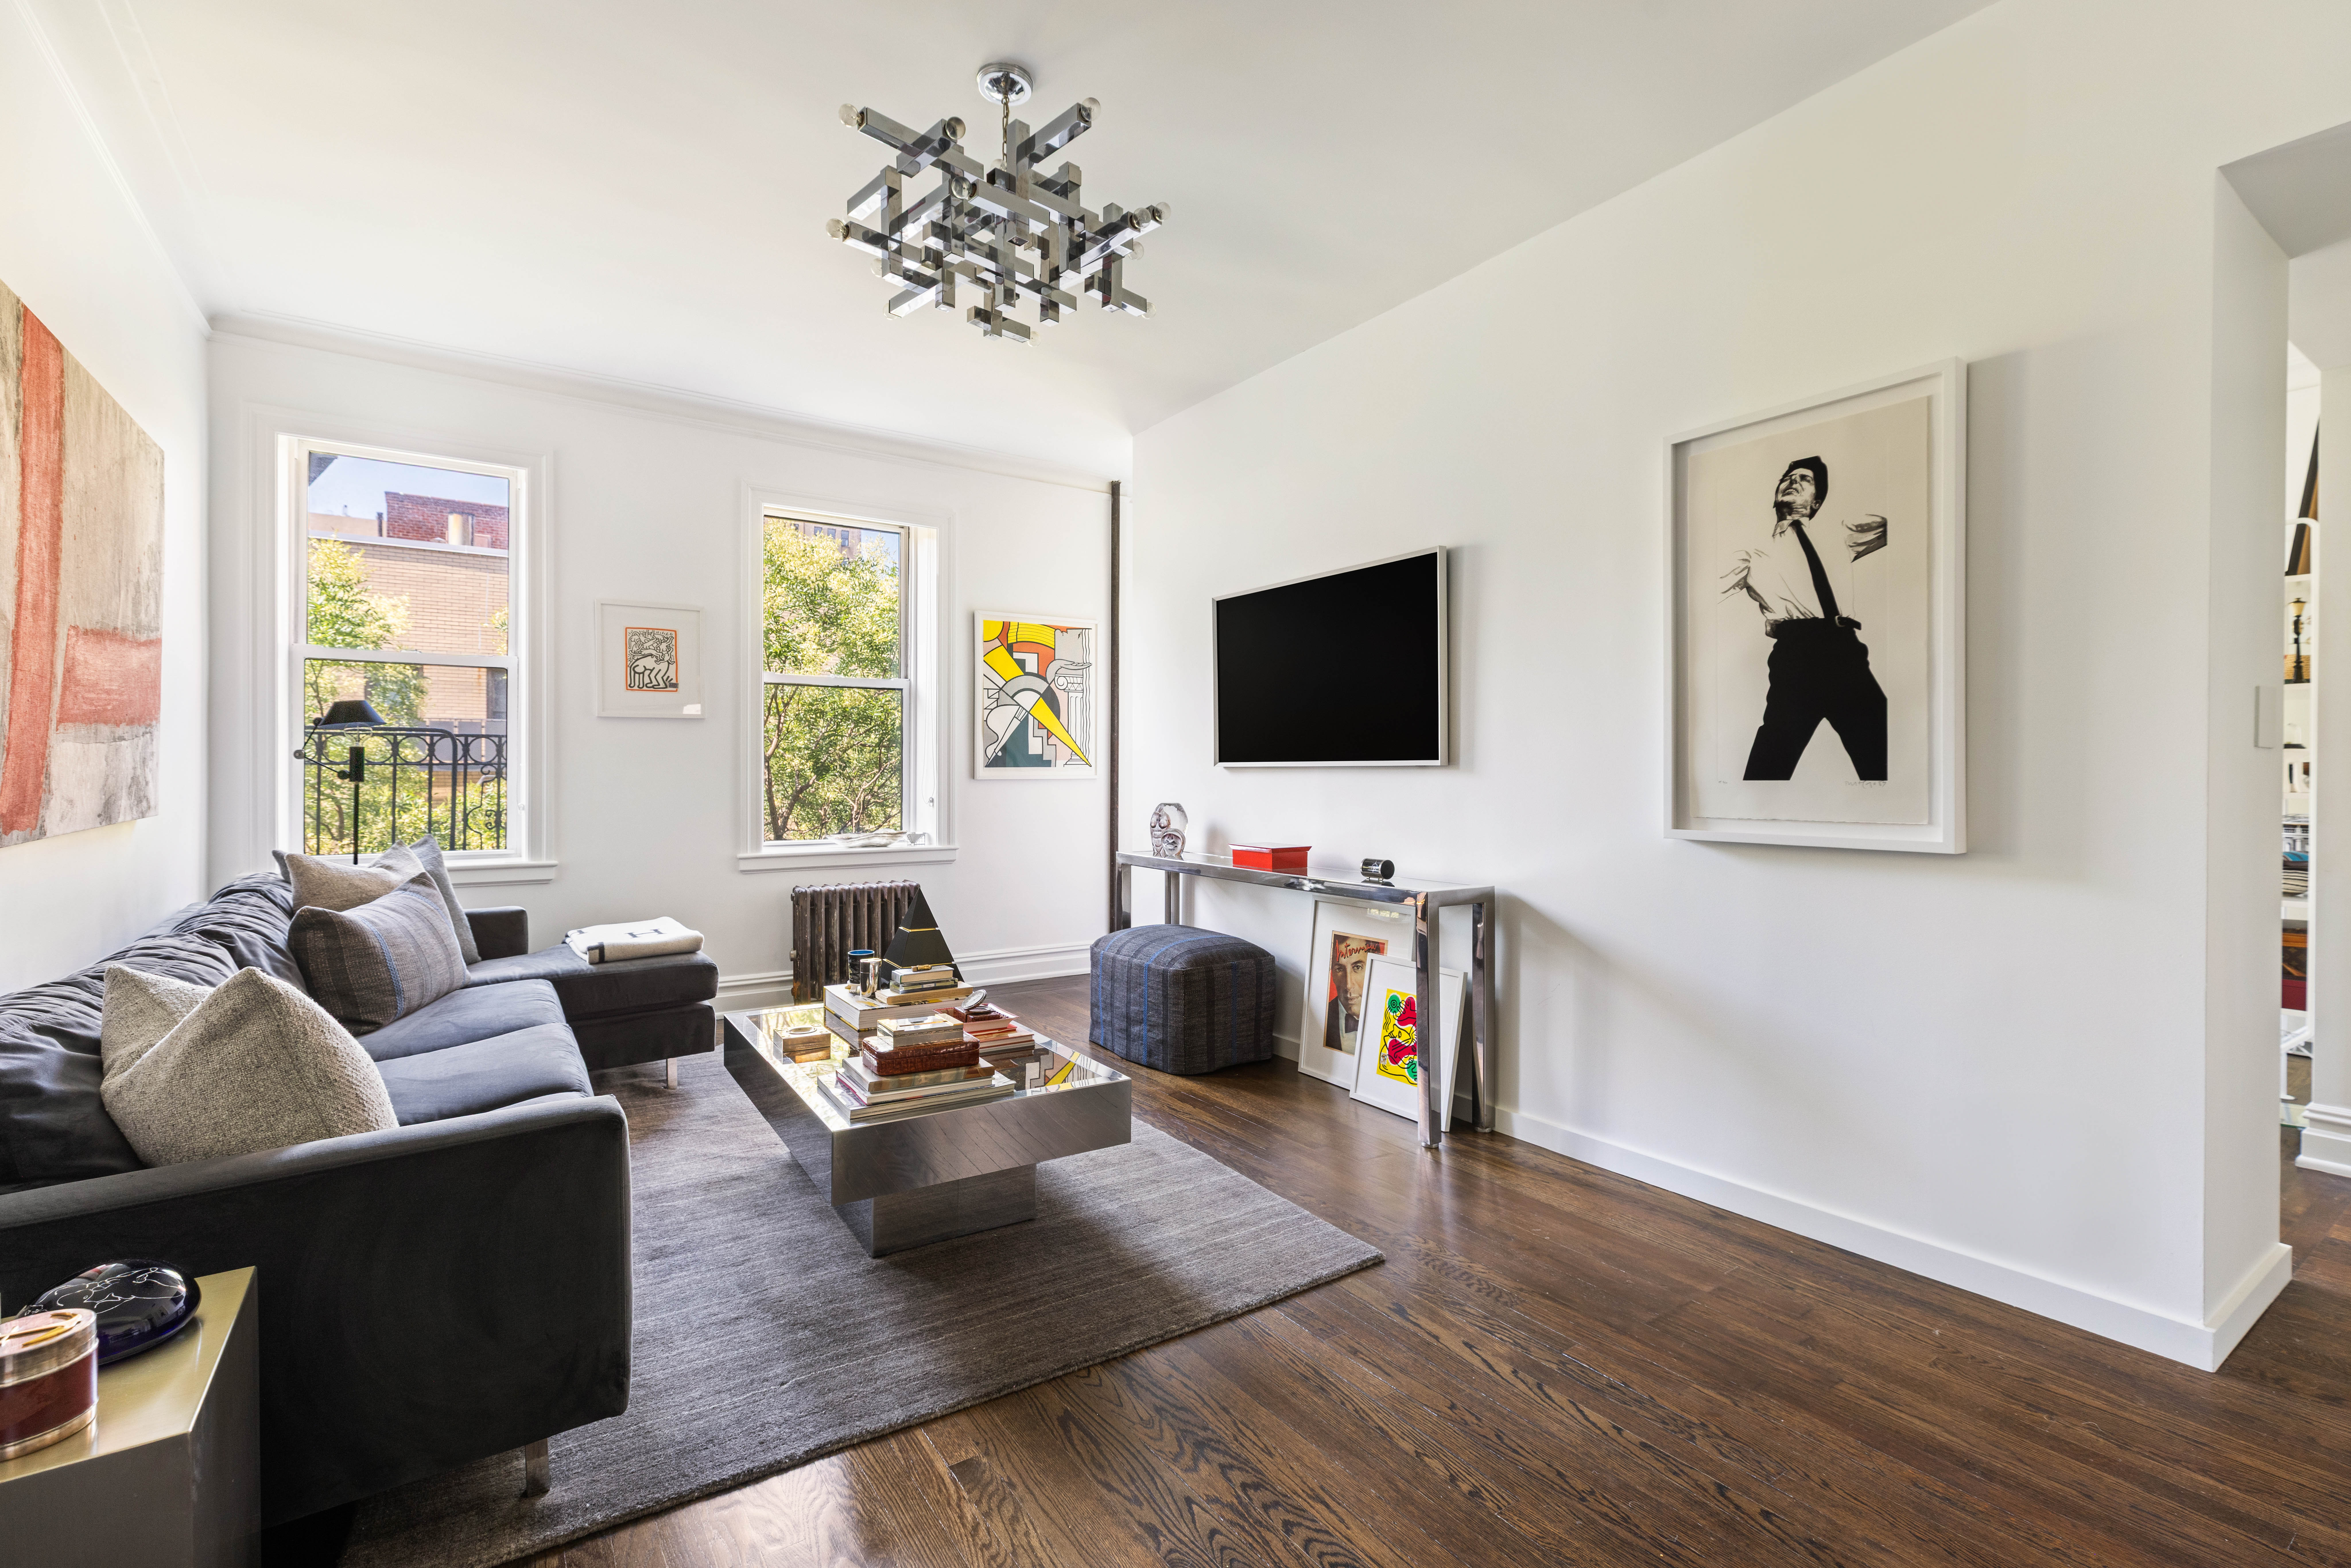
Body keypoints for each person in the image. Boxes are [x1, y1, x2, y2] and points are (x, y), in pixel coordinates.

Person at [1722, 456, 1888, 781]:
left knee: (1880, 750)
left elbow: (1912, 517)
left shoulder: (1842, 534)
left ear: (1816, 502)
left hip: (1845, 650)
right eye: (1788, 477)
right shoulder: (1751, 551)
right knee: (1772, 762)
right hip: (1796, 655)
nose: (1793, 481)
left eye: (1805, 479)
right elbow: (1701, 593)